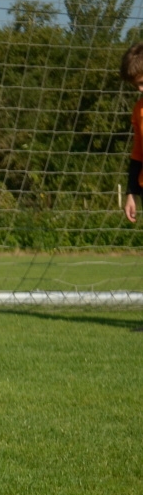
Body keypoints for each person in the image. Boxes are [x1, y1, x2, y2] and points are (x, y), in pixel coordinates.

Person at [119, 42, 143, 332]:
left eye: (141, 82)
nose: (139, 90)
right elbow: (138, 151)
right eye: (135, 85)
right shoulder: (139, 110)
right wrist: (130, 193)